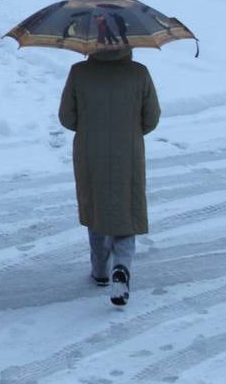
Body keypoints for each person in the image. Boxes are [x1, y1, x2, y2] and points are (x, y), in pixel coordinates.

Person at [58, 47, 161, 306]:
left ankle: (100, 270)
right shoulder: (139, 73)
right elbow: (151, 118)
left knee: (96, 205)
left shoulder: (79, 72)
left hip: (90, 150)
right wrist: (129, 130)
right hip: (128, 150)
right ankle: (121, 267)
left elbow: (67, 118)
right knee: (126, 207)